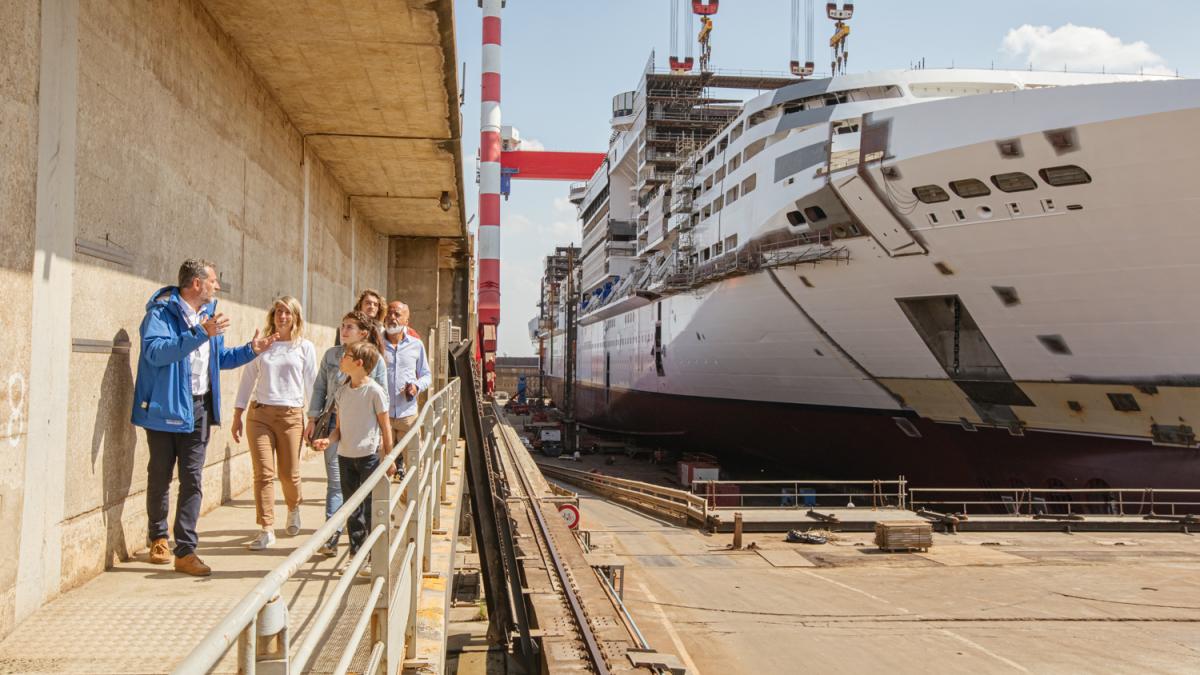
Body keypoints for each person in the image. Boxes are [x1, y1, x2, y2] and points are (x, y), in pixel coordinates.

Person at [131, 259, 276, 576]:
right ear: (196, 283)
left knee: (193, 480)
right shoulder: (160, 313)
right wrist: (199, 333)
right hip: (166, 408)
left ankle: (185, 551)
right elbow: (156, 353)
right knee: (160, 476)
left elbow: (219, 360)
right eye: (213, 281)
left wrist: (252, 350)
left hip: (199, 408)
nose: (217, 286)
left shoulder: (210, 317)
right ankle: (158, 537)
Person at [231, 296, 317, 550]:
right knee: (263, 474)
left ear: (295, 317)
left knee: (289, 474)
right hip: (260, 415)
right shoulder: (263, 345)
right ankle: (266, 528)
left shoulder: (304, 347)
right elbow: (247, 379)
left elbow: (312, 383)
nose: (282, 316)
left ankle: (294, 507)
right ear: (272, 315)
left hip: (291, 416)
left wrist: (314, 419)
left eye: (288, 312)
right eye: (279, 311)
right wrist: (237, 413)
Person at [306, 311, 387, 557]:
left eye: (350, 326)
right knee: (336, 484)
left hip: (364, 431)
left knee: (364, 494)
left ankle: (365, 545)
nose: (344, 330)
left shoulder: (374, 360)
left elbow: (382, 398)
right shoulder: (332, 355)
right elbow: (320, 387)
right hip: (334, 425)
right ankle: (332, 536)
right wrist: (312, 418)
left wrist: (385, 443)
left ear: (363, 333)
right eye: (342, 326)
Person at [382, 301, 431, 477]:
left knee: (414, 468)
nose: (392, 318)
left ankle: (408, 502)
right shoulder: (375, 344)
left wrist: (416, 386)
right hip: (381, 417)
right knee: (380, 470)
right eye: (389, 314)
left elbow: (426, 375)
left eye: (397, 314)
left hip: (407, 417)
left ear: (406, 321)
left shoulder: (416, 345)